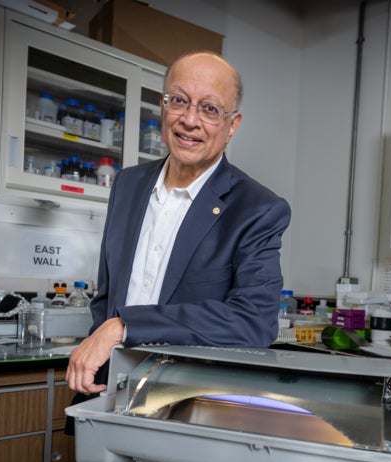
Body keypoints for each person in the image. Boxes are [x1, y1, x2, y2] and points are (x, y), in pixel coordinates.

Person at [66, 50, 291, 397]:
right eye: (179, 101)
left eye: (210, 109)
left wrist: (125, 326)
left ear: (232, 125)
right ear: (163, 106)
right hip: (106, 393)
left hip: (188, 405)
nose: (189, 120)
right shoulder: (127, 184)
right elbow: (107, 296)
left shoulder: (258, 209)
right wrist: (98, 349)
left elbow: (253, 323)